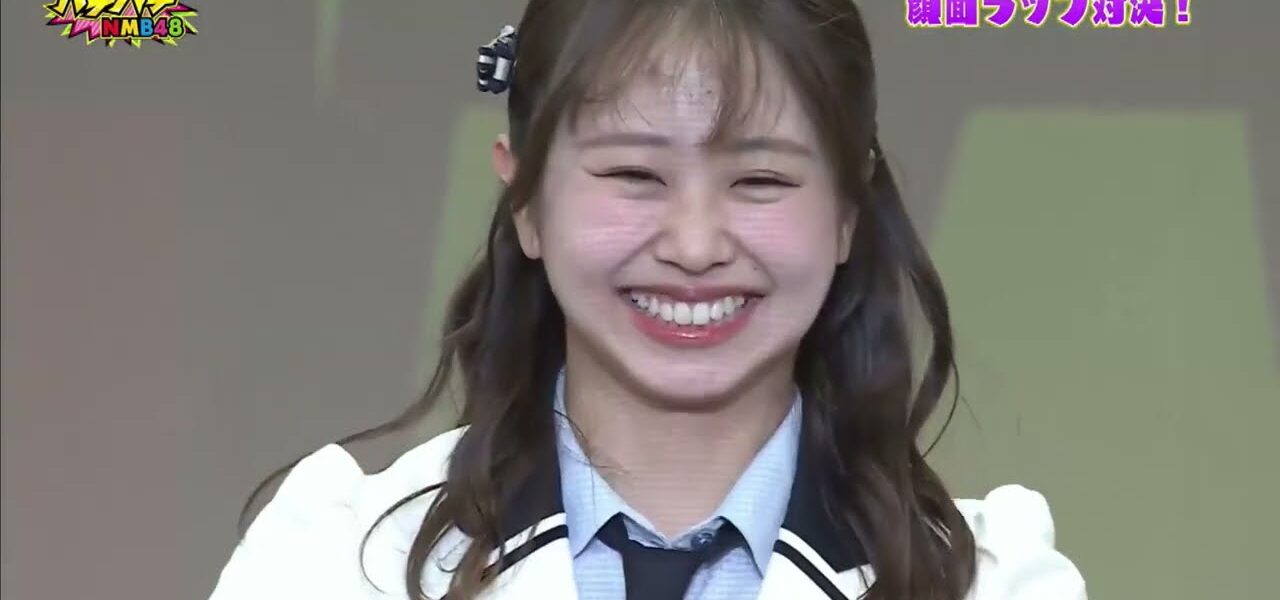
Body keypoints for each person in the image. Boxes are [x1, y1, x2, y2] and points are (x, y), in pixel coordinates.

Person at [209, 1, 1087, 599]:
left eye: (760, 179)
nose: (695, 245)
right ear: (525, 200)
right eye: (633, 174)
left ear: (848, 211)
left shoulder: (988, 583)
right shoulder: (342, 562)